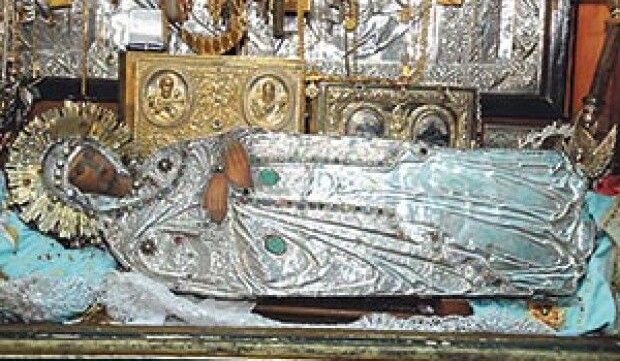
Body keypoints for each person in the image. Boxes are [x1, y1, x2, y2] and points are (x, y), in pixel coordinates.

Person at [51, 128, 594, 300]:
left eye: (89, 157)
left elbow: (227, 142)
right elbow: (210, 273)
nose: (95, 168)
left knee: (412, 177)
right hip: (295, 240)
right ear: (77, 195)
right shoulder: (133, 241)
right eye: (81, 172)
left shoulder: (159, 160)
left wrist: (226, 164)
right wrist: (227, 202)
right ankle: (539, 261)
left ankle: (541, 196)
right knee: (416, 245)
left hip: (303, 177)